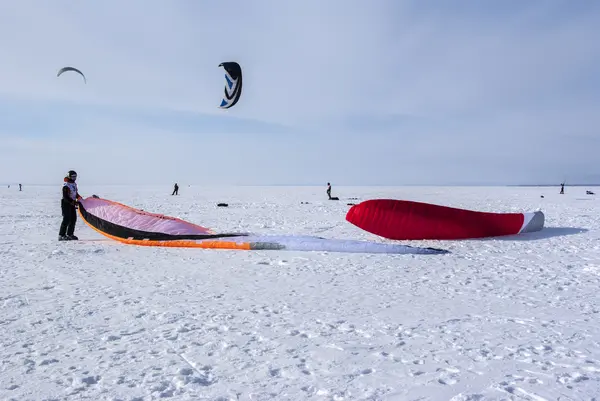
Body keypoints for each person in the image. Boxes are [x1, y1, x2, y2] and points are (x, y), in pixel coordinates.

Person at [59, 170, 83, 241]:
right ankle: (61, 235)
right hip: (66, 203)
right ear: (69, 176)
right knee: (66, 219)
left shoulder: (74, 184)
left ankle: (70, 234)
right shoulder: (66, 185)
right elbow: (65, 196)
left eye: (75, 177)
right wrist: (72, 202)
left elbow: (75, 194)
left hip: (72, 203)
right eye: (72, 177)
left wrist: (80, 199)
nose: (74, 178)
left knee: (73, 219)